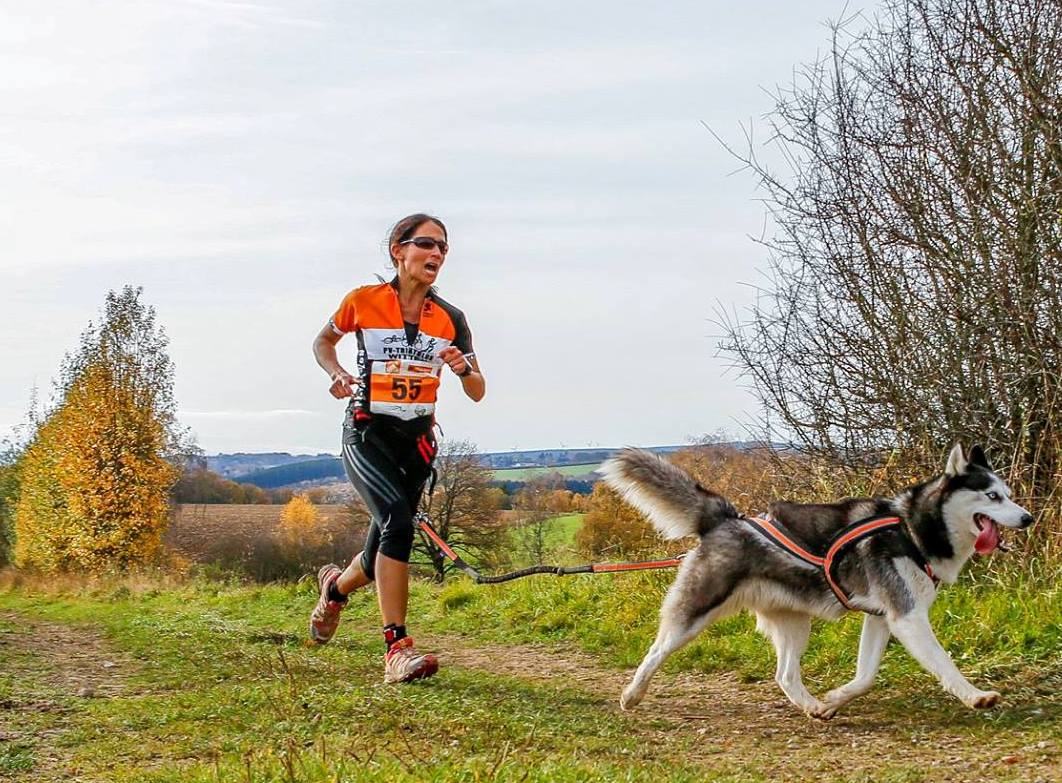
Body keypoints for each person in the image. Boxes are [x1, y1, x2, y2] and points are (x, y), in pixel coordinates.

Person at [308, 213, 485, 683]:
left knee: (378, 552)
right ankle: (396, 649)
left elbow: (478, 389)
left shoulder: (452, 318)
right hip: (368, 434)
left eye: (444, 248)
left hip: (417, 444)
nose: (437, 255)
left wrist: (463, 368)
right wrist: (338, 373)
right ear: (398, 250)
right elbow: (323, 341)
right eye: (427, 244)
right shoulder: (362, 302)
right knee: (397, 523)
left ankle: (335, 590)